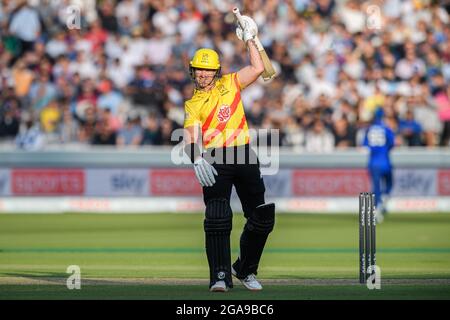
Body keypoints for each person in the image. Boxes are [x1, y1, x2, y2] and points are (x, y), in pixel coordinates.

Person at [183, 28, 275, 292]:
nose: (203, 74)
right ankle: (220, 276)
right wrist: (196, 158)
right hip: (215, 159)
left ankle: (245, 270)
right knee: (217, 217)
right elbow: (190, 136)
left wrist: (249, 37)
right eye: (199, 69)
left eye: (207, 70)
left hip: (244, 154)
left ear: (216, 71)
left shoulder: (231, 82)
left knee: (261, 217)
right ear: (193, 71)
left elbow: (258, 68)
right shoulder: (193, 104)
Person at [363, 107, 395, 223]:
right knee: (389, 184)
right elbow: (392, 144)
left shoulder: (368, 130)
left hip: (373, 162)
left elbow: (365, 145)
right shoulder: (386, 129)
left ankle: (376, 211)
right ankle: (383, 202)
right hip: (385, 161)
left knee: (376, 188)